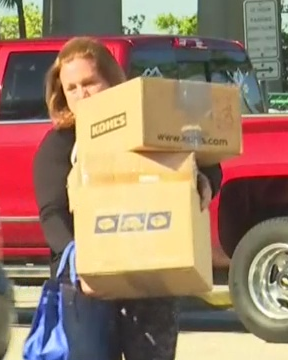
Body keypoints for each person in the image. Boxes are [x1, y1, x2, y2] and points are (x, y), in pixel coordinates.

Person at [32, 36, 223, 360]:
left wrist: (203, 182)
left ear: (112, 79)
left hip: (151, 277)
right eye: (72, 87)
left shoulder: (145, 124)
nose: (82, 95)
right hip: (87, 284)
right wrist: (81, 260)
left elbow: (204, 163)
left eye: (90, 83)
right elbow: (52, 214)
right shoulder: (59, 145)